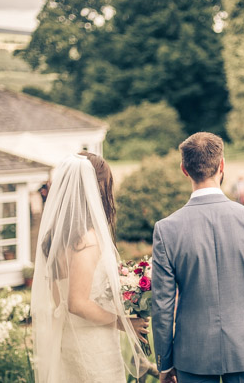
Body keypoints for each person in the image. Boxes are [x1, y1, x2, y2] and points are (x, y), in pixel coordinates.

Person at [151, 132, 244, 383]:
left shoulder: (166, 229)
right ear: (222, 166)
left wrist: (165, 363)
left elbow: (162, 306)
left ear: (184, 169)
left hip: (192, 354)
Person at [31, 153, 149, 382]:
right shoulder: (86, 241)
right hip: (92, 347)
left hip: (68, 339)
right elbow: (77, 303)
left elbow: (60, 302)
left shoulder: (56, 239)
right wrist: (123, 323)